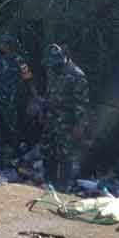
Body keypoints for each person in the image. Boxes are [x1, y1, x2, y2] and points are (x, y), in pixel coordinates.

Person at [40, 44, 90, 190]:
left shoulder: (77, 75)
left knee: (65, 154)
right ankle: (48, 183)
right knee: (47, 150)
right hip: (51, 118)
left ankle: (62, 187)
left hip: (67, 122)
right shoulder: (52, 70)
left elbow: (81, 103)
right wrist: (43, 111)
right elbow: (49, 93)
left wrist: (80, 125)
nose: (52, 66)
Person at [0, 34, 24, 160]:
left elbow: (27, 77)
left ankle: (15, 152)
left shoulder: (19, 60)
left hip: (11, 100)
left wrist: (33, 96)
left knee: (12, 126)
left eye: (5, 44)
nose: (3, 47)